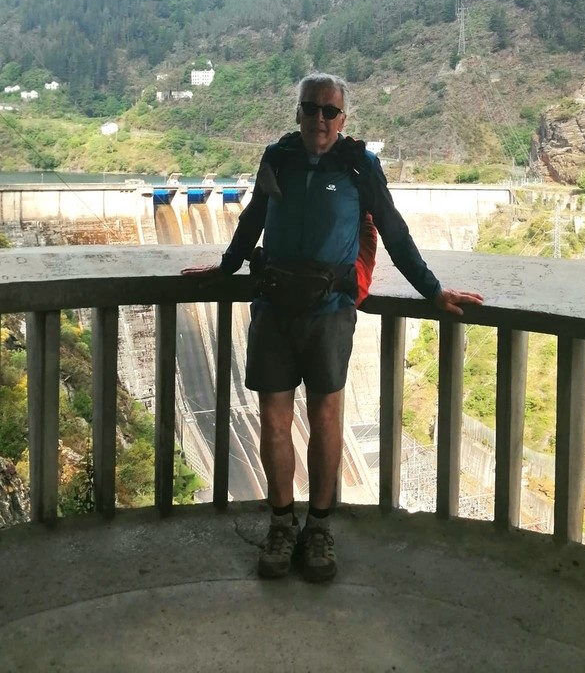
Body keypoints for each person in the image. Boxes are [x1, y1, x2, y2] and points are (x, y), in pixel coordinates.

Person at [182, 72, 483, 582]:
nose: (319, 119)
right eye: (311, 108)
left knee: (324, 420)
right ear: (298, 112)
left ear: (343, 118)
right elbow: (254, 218)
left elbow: (394, 231)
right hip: (274, 306)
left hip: (329, 311)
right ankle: (282, 525)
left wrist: (433, 291)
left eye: (330, 110)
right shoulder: (278, 157)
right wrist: (225, 268)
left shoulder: (359, 165)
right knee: (274, 421)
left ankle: (318, 528)